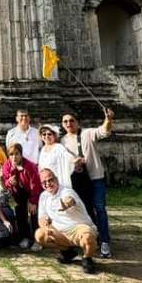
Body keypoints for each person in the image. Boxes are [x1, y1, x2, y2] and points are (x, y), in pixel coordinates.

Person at [61, 108, 115, 258]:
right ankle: (89, 238)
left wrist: (108, 120)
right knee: (84, 210)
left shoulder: (87, 133)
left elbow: (103, 131)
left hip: (95, 177)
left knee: (99, 207)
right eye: (65, 121)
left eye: (71, 120)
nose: (68, 123)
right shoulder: (62, 141)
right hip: (78, 180)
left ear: (77, 122)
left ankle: (104, 241)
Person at [35, 168, 100, 274]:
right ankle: (67, 252)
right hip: (60, 232)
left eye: (50, 180)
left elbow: (70, 199)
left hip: (79, 228)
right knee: (40, 235)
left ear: (56, 179)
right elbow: (42, 217)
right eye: (44, 182)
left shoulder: (66, 190)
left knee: (88, 238)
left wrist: (66, 204)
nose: (48, 184)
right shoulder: (43, 196)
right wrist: (45, 227)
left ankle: (87, 258)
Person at [2, 143, 43, 251]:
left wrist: (33, 201)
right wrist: (9, 181)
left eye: (16, 154)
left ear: (21, 154)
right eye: (11, 154)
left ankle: (37, 240)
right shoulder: (7, 165)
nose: (14, 157)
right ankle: (24, 237)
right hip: (17, 193)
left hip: (31, 192)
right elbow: (5, 183)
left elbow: (36, 185)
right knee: (20, 215)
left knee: (34, 214)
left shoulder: (29, 166)